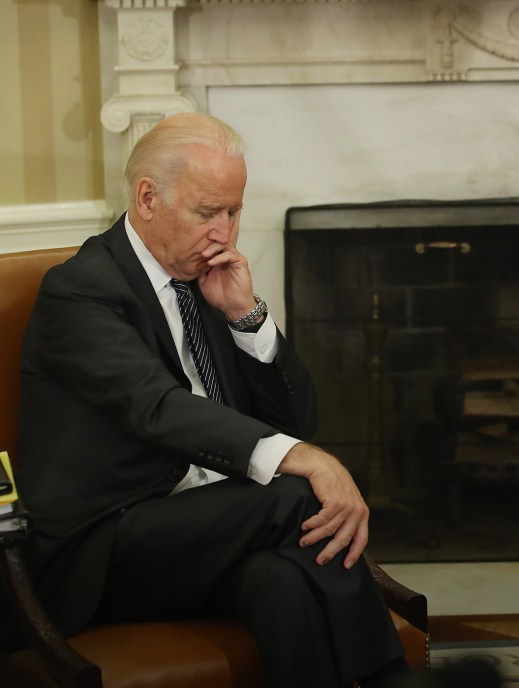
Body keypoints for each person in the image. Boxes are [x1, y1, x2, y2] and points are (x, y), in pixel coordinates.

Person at [6, 112, 410, 688]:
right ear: (148, 198)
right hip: (104, 544)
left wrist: (246, 317)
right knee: (297, 494)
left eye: (234, 212)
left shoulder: (206, 277)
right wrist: (308, 459)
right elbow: (157, 408)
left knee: (284, 582)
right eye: (207, 212)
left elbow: (297, 420)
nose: (224, 233)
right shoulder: (80, 290)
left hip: (207, 534)